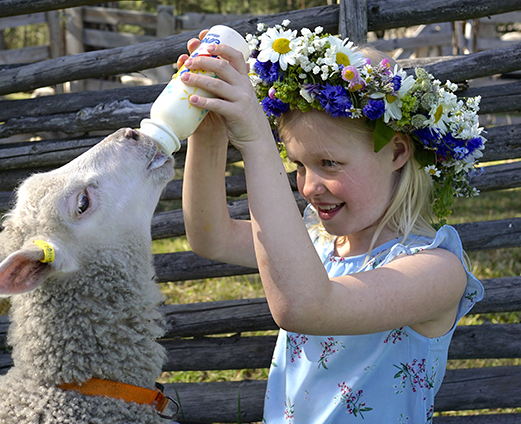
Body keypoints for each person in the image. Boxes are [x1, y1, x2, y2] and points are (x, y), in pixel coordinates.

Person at [177, 21, 485, 423]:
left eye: (329, 163)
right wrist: (210, 131)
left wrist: (255, 141)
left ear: (396, 154)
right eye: (299, 166)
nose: (309, 187)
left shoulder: (436, 270)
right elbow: (210, 237)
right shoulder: (314, 242)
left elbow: (305, 307)